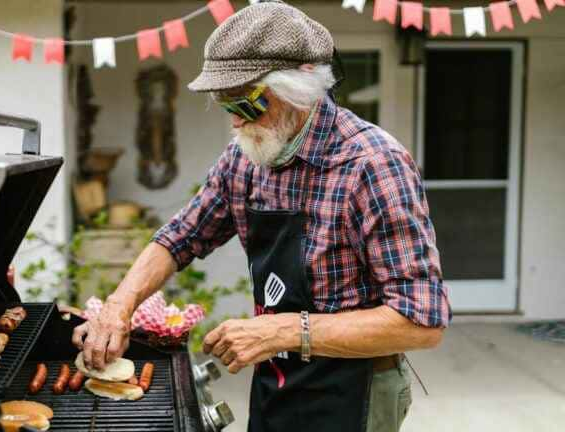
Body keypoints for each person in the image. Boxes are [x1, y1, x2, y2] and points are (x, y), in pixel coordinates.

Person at [72, 2, 451, 431]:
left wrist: (284, 332)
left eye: (247, 105)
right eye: (224, 104)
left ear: (299, 90)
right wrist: (118, 307)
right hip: (279, 376)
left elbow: (421, 323)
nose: (235, 121)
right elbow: (180, 237)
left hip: (356, 388)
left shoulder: (373, 164)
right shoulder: (246, 155)